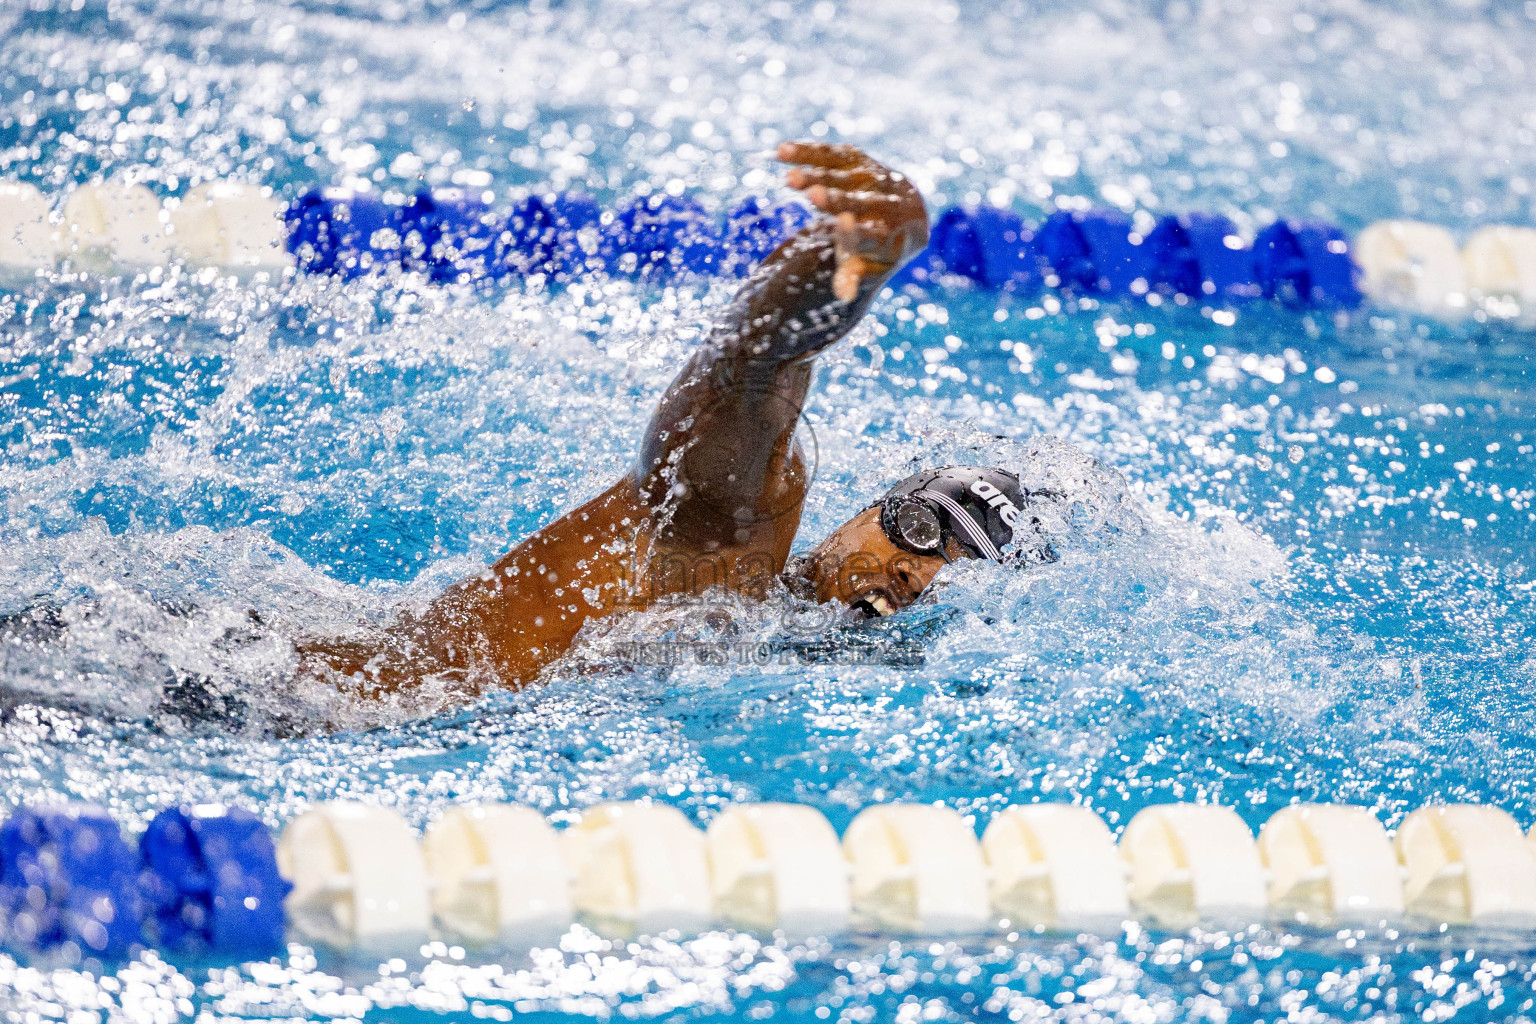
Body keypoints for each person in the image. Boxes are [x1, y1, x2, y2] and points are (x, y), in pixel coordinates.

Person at [297, 142, 1056, 701]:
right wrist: (842, 269)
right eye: (921, 528)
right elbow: (748, 378)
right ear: (875, 506)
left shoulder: (765, 653)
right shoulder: (731, 529)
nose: (914, 569)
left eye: (954, 568)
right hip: (275, 696)